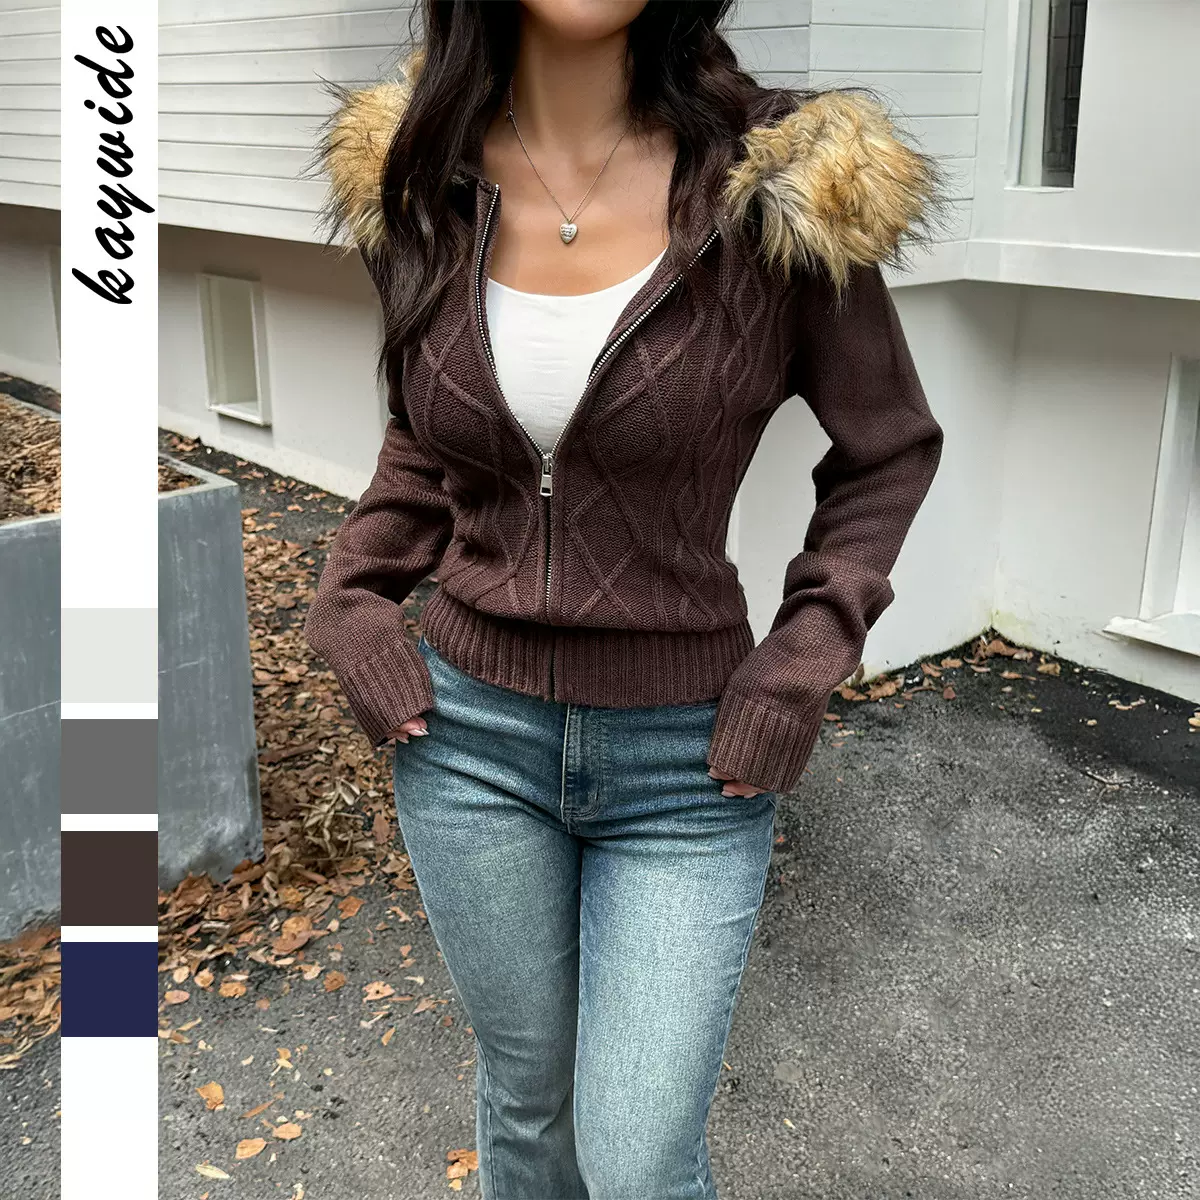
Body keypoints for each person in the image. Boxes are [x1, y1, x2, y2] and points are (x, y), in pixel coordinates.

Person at [304, 1, 944, 1195]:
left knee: (639, 1160)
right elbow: (426, 445)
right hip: (467, 744)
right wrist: (352, 597)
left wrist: (803, 658)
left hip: (686, 768)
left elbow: (888, 451)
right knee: (526, 1106)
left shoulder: (781, 188)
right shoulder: (423, 182)